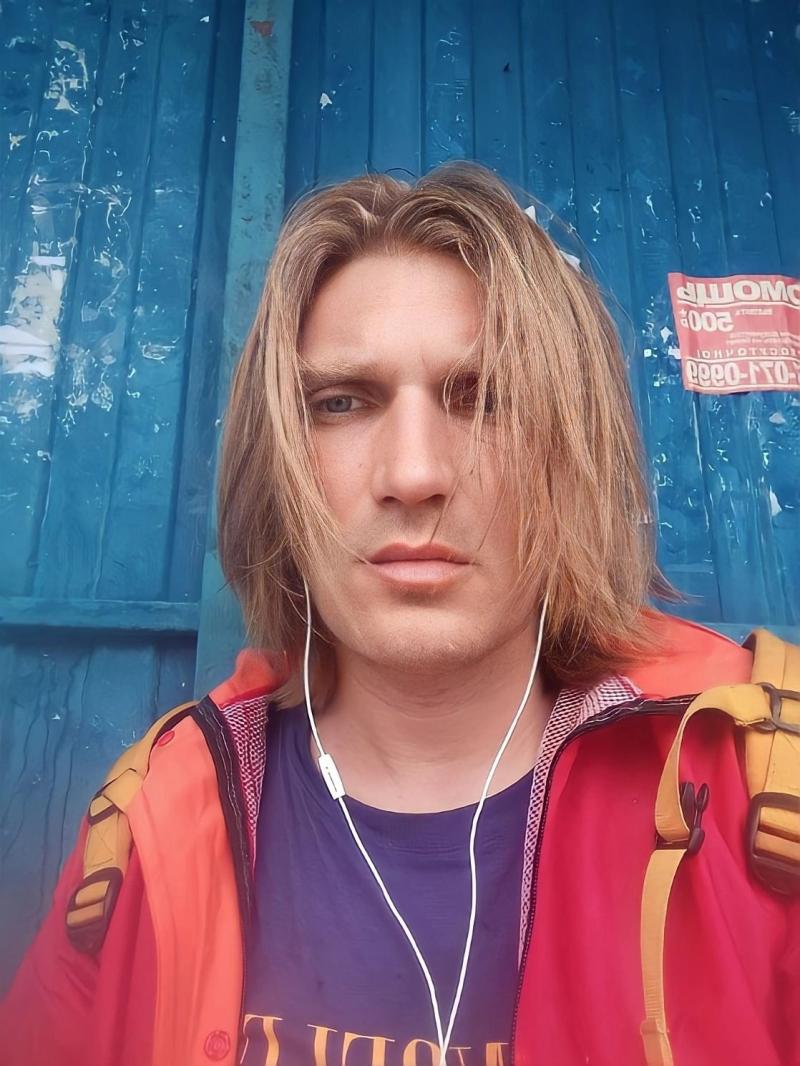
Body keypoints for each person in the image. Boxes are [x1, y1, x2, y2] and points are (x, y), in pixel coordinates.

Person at [1, 162, 797, 1066]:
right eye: (341, 403)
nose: (414, 474)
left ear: (575, 452)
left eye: (487, 398)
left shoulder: (761, 788)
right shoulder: (153, 816)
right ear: (278, 468)